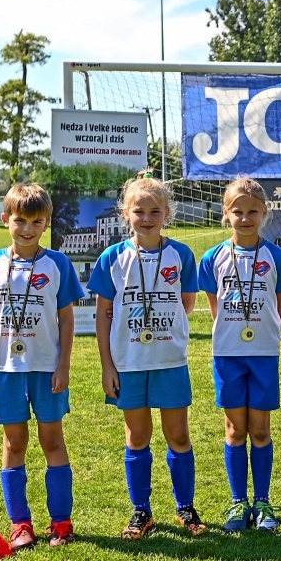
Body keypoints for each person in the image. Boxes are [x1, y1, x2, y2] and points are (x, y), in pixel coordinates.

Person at [0, 183, 83, 550]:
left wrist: (63, 366)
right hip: (6, 369)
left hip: (46, 368)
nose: (27, 228)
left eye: (36, 221)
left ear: (47, 223)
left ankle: (61, 523)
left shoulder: (58, 264)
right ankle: (20, 525)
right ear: (6, 220)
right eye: (20, 220)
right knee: (14, 443)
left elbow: (67, 319)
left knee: (52, 441)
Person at [88, 175, 203, 541]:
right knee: (137, 436)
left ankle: (185, 506)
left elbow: (187, 303)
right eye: (139, 211)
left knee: (178, 436)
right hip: (129, 362)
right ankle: (141, 511)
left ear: (167, 213)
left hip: (170, 360)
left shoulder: (181, 254)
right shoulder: (113, 257)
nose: (147, 217)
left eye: (155, 211)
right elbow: (103, 316)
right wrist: (108, 365)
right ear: (126, 213)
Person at [198, 178, 281, 534]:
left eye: (253, 211)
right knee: (236, 430)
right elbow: (214, 307)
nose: (246, 218)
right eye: (238, 211)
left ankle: (263, 501)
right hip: (228, 353)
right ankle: (239, 502)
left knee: (261, 429)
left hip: (264, 353)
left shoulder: (277, 257)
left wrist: (265, 331)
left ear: (265, 213)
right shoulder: (213, 257)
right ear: (226, 214)